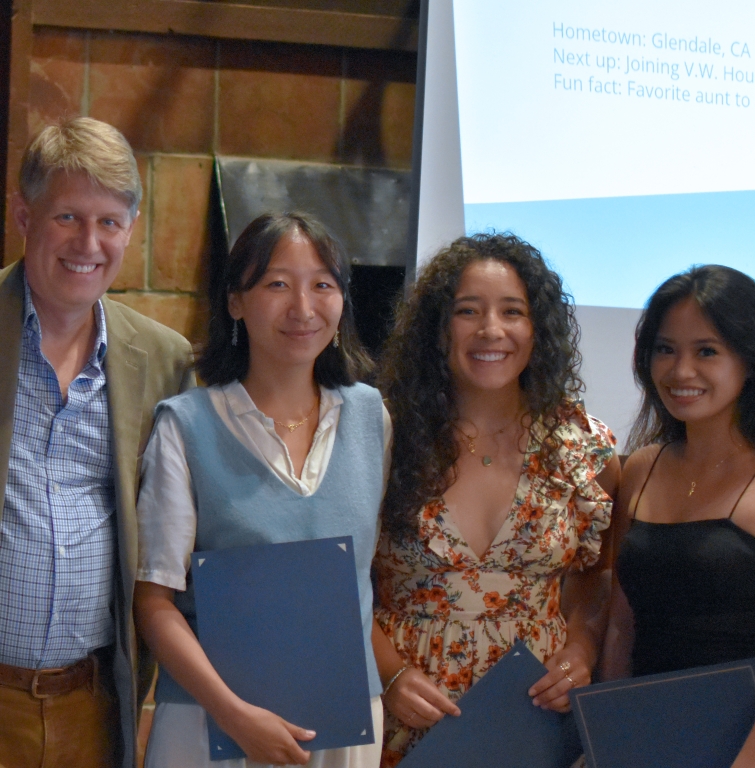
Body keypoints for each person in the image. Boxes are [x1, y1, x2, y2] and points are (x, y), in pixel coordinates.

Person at [134, 212, 391, 768]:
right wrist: (233, 714)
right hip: (213, 726)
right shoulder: (186, 425)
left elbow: (369, 578)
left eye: (323, 284)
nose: (303, 307)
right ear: (235, 301)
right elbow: (155, 602)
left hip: (344, 720)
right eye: (277, 284)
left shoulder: (372, 416)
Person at [371, 233, 620, 766]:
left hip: (533, 720)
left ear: (538, 329)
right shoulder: (381, 436)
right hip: (404, 721)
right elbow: (342, 580)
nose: (492, 330)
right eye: (468, 311)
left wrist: (582, 647)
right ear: (438, 330)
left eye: (513, 312)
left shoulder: (584, 448)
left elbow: (594, 576)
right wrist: (387, 672)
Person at [0, 117, 193, 768]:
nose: (89, 242)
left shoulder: (163, 360)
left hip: (93, 705)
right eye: (68, 217)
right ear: (25, 216)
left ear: (132, 230)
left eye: (110, 222)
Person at [602, 265, 755, 767]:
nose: (681, 371)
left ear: (752, 359)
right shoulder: (642, 467)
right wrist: (607, 731)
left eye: (707, 351)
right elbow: (621, 623)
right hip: (645, 739)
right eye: (665, 349)